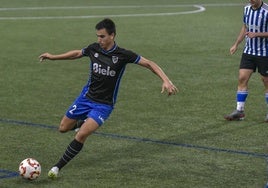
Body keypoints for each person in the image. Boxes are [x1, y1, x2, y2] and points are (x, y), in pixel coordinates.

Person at [39, 18, 178, 178]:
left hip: (103, 106)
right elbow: (77, 53)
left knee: (82, 135)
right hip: (85, 98)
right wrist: (52, 56)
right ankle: (81, 122)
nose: (99, 40)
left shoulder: (123, 55)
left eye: (103, 36)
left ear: (112, 35)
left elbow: (149, 63)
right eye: (98, 36)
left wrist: (166, 80)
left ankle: (57, 168)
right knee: (62, 128)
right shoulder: (94, 48)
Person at [224, 0, 268, 121]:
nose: (250, 1)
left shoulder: (267, 11)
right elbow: (245, 28)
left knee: (266, 81)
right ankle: (240, 111)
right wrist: (236, 44)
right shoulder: (247, 9)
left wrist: (257, 34)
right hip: (249, 52)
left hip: (265, 53)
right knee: (242, 78)